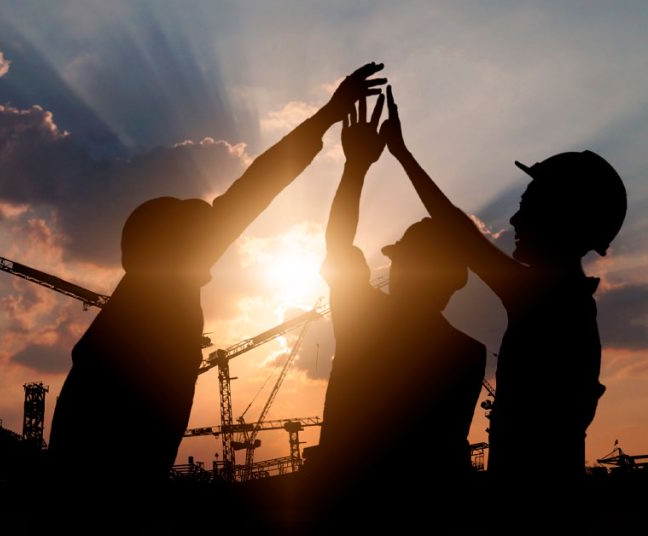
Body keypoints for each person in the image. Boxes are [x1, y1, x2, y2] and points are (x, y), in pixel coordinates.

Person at [47, 64, 388, 506]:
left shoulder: (144, 306)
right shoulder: (158, 302)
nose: (214, 228)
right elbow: (255, 188)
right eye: (198, 225)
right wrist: (327, 116)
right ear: (171, 245)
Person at [379, 85, 626, 485]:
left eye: (527, 206)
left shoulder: (547, 302)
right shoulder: (572, 306)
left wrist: (403, 155)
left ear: (559, 218)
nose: (513, 221)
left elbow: (460, 232)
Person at [310, 94, 485, 530]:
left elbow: (338, 244)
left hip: (352, 509)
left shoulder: (366, 319)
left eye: (401, 261)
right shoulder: (468, 353)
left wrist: (356, 167)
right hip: (430, 513)